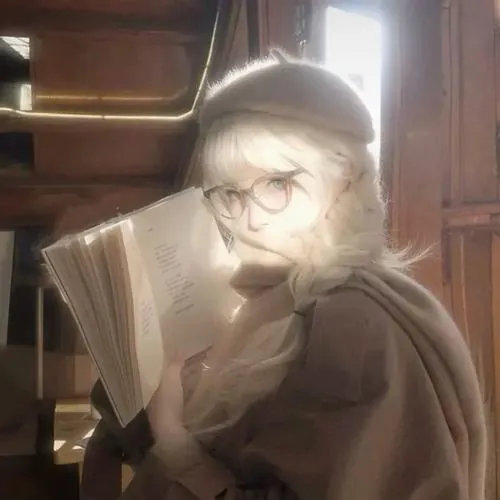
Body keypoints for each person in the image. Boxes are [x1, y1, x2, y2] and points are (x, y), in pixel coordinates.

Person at [81, 50, 487, 500]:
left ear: (344, 178)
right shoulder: (266, 300)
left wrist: (176, 445)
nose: (251, 219)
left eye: (278, 183)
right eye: (229, 193)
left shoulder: (353, 322)